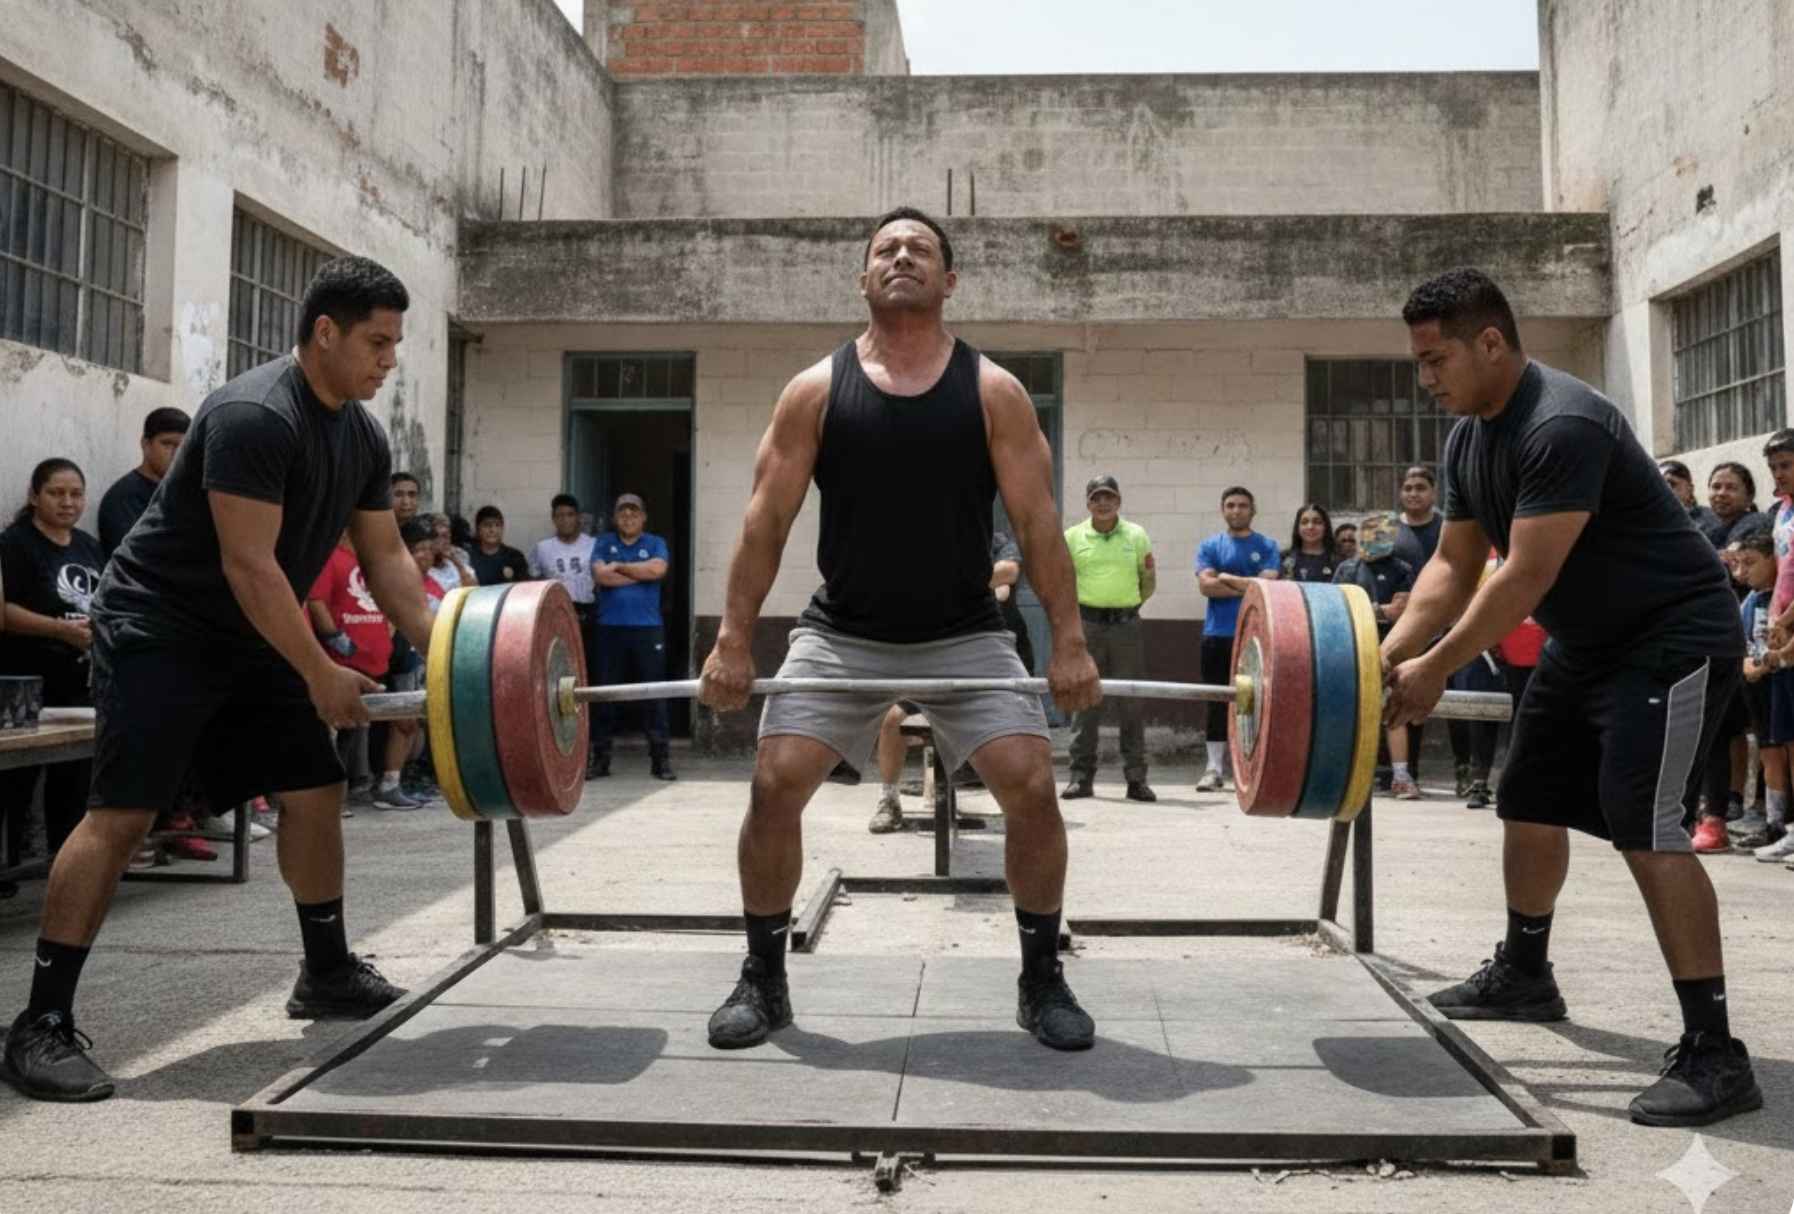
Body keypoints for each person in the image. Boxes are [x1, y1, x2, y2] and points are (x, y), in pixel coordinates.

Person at [0, 256, 434, 1104]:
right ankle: (39, 1024)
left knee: (312, 787)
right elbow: (250, 565)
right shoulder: (254, 415)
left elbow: (386, 559)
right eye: (377, 343)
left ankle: (327, 970)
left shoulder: (363, 435)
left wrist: (459, 650)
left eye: (395, 345)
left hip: (249, 633)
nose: (389, 361)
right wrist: (317, 670)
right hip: (162, 625)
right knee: (122, 813)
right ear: (324, 332)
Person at [697, 206, 1102, 1054]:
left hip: (965, 629)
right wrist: (734, 639)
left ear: (950, 281)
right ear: (863, 277)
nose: (903, 257)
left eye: (921, 249)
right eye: (887, 250)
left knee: (1030, 783)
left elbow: (1036, 522)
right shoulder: (815, 389)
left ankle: (1041, 979)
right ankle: (762, 980)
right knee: (775, 783)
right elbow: (765, 521)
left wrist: (1068, 642)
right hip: (844, 630)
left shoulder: (994, 391)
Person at [1383, 267, 1760, 1127]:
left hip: (1671, 638)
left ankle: (1715, 1051)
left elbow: (1525, 576)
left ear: (1490, 342)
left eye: (1436, 358)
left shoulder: (1561, 422)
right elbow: (1451, 566)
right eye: (1419, 362)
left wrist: (1437, 667)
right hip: (1587, 642)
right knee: (1528, 796)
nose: (1427, 377)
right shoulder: (1467, 438)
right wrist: (1388, 652)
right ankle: (1525, 972)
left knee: (1646, 823)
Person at [0, 459, 104, 856]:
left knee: (73, 782)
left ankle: (66, 862)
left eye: (75, 494)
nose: (67, 502)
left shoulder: (89, 546)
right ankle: (10, 867)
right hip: (27, 681)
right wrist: (60, 629)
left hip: (79, 683)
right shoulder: (14, 545)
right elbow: (5, 611)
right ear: (34, 495)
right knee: (15, 783)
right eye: (56, 493)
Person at [307, 531, 421, 811]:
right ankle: (332, 799)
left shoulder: (373, 563)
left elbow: (392, 603)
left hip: (379, 661)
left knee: (378, 726)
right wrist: (334, 636)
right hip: (345, 664)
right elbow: (316, 601)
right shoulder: (331, 559)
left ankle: (380, 786)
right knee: (339, 734)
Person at [1061, 475, 1155, 802]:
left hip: (1126, 627)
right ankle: (1080, 777)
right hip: (1087, 626)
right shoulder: (1072, 537)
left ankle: (1136, 779)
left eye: (1109, 497)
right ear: (1087, 503)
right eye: (1097, 498)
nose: (1103, 503)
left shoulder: (1136, 535)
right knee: (1084, 702)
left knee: (1132, 702)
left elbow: (1148, 582)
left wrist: (1124, 608)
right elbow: (1062, 581)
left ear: (1119, 501)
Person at [1194, 487, 1279, 792]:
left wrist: (1226, 578)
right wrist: (1247, 584)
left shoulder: (1268, 545)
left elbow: (1267, 586)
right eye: (1230, 505)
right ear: (1222, 510)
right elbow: (1207, 588)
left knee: (1256, 701)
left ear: (1252, 510)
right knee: (1218, 701)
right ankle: (1214, 768)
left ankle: (1254, 768)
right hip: (1217, 636)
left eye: (1243, 505)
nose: (1236, 510)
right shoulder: (1209, 546)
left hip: (1257, 637)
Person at [1332, 512, 1419, 798]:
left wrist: (1366, 610)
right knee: (1352, 715)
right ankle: (1350, 778)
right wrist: (1380, 610)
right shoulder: (1346, 569)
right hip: (1351, 650)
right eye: (1367, 531)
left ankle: (1402, 777)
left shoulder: (1401, 569)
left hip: (1390, 649)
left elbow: (1401, 609)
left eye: (1380, 532)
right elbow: (1336, 610)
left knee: (1394, 713)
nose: (1371, 538)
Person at [590, 493, 675, 781]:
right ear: (615, 517)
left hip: (647, 628)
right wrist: (640, 573)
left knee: (654, 694)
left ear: (644, 517)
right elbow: (601, 577)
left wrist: (619, 567)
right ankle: (600, 759)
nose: (628, 517)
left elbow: (658, 569)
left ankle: (660, 760)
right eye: (623, 513)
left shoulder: (655, 543)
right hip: (609, 628)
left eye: (634, 513)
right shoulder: (603, 542)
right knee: (604, 694)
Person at [530, 493, 601, 777]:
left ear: (578, 518)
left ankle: (591, 750)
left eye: (570, 515)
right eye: (559, 515)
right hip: (555, 616)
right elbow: (533, 581)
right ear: (553, 519)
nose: (565, 520)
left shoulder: (593, 545)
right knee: (558, 682)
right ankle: (560, 749)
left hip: (586, 614)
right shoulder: (543, 548)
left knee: (585, 681)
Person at [1730, 530, 1791, 859]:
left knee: (1785, 753)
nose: (1743, 572)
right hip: (1759, 691)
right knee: (1769, 754)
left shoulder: (1781, 605)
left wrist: (1769, 664)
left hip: (1781, 681)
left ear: (1775, 560)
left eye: (1751, 563)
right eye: (1738, 564)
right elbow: (1743, 647)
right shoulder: (1750, 601)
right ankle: (1774, 823)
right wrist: (1750, 666)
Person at [97, 408, 190, 562]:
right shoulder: (123, 498)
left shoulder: (186, 492)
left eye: (182, 446)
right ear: (145, 444)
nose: (176, 454)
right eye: (167, 444)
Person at [1702, 462, 1763, 550]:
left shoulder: (1757, 524)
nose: (1721, 493)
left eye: (1731, 488)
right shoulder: (1709, 530)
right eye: (1716, 487)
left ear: (1750, 496)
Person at [467, 505, 529, 586]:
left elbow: (524, 588)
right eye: (487, 525)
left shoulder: (515, 557)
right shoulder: (469, 557)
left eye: (497, 525)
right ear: (478, 529)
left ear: (502, 528)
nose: (492, 530)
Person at [1281, 502, 1338, 583]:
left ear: (1326, 527)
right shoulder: (1284, 558)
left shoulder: (1338, 561)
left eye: (1317, 522)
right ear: (1297, 527)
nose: (1310, 527)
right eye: (1304, 522)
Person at [425, 512, 477, 592]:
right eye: (441, 536)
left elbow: (473, 589)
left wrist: (456, 562)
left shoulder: (455, 560)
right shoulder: (425, 569)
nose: (446, 540)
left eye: (448, 535)